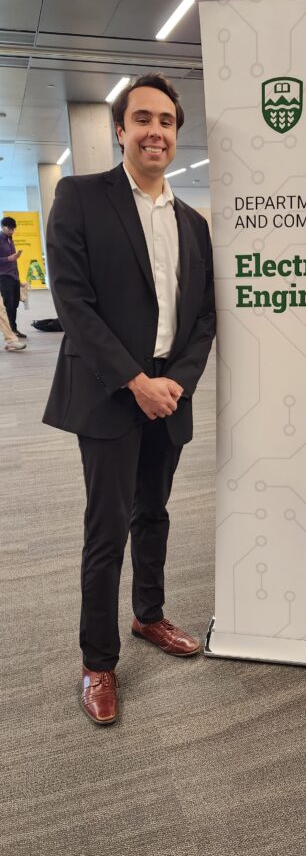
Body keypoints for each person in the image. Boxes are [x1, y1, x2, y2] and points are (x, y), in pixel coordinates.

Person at [43, 73, 216, 725]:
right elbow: (74, 305)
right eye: (142, 118)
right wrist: (134, 381)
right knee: (106, 529)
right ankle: (97, 663)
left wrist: (177, 381)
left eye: (167, 121)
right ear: (119, 130)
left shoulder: (194, 224)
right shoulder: (82, 198)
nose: (156, 131)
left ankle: (149, 616)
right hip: (112, 394)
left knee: (155, 513)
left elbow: (204, 318)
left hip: (170, 394)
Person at [0, 217, 27, 339]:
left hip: (14, 277)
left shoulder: (11, 240)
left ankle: (13, 329)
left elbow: (14, 262)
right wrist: (8, 259)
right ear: (3, 227)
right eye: (10, 228)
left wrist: (19, 279)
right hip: (4, 277)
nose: (12, 231)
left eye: (13, 229)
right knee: (8, 305)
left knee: (15, 304)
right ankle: (11, 332)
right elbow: (9, 260)